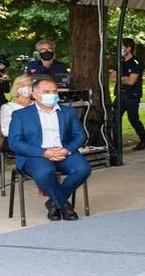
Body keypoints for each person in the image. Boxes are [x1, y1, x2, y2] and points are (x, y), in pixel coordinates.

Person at [7, 76, 92, 222]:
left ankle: (53, 203)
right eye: (46, 91)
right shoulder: (20, 115)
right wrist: (43, 153)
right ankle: (64, 206)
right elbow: (14, 142)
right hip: (35, 156)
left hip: (63, 152)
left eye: (54, 91)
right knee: (45, 172)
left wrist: (67, 150)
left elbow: (80, 136)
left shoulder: (68, 112)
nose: (52, 94)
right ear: (34, 95)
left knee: (83, 169)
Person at [109, 38, 145, 151]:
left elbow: (132, 81)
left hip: (132, 95)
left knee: (133, 119)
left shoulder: (136, 62)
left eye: (122, 47)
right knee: (114, 118)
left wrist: (120, 78)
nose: (120, 49)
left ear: (128, 48)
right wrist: (123, 78)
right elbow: (112, 77)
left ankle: (144, 140)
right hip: (120, 94)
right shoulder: (120, 62)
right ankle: (115, 144)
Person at [1, 75, 34, 141]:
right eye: (23, 85)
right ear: (16, 87)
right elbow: (6, 131)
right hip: (16, 142)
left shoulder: (38, 105)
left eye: (29, 85)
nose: (27, 88)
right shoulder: (8, 107)